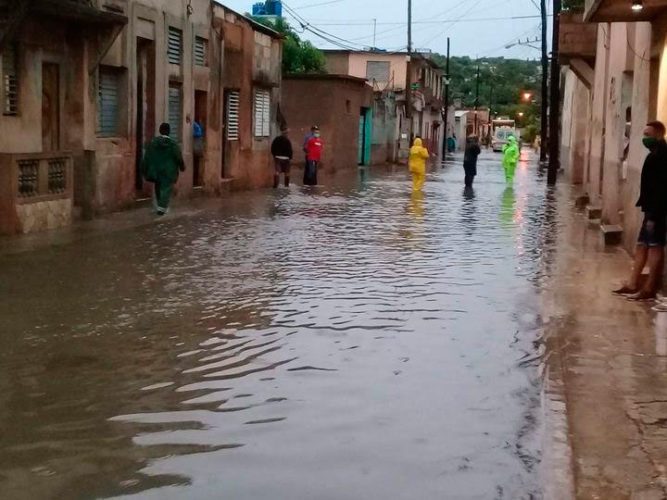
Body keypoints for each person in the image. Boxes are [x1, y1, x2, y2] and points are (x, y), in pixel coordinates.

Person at [614, 121, 667, 300]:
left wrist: (654, 213)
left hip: (657, 210)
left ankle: (650, 288)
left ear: (659, 135)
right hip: (650, 209)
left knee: (654, 247)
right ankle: (632, 283)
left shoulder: (661, 155)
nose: (645, 138)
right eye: (644, 134)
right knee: (642, 245)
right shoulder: (654, 154)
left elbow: (660, 187)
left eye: (648, 135)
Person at [141, 122, 185, 215]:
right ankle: (162, 208)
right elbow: (178, 157)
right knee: (166, 189)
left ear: (160, 131)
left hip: (156, 171)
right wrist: (182, 167)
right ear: (169, 132)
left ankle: (159, 205)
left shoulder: (153, 143)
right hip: (169, 171)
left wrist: (144, 169)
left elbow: (147, 157)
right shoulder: (173, 144)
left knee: (158, 187)